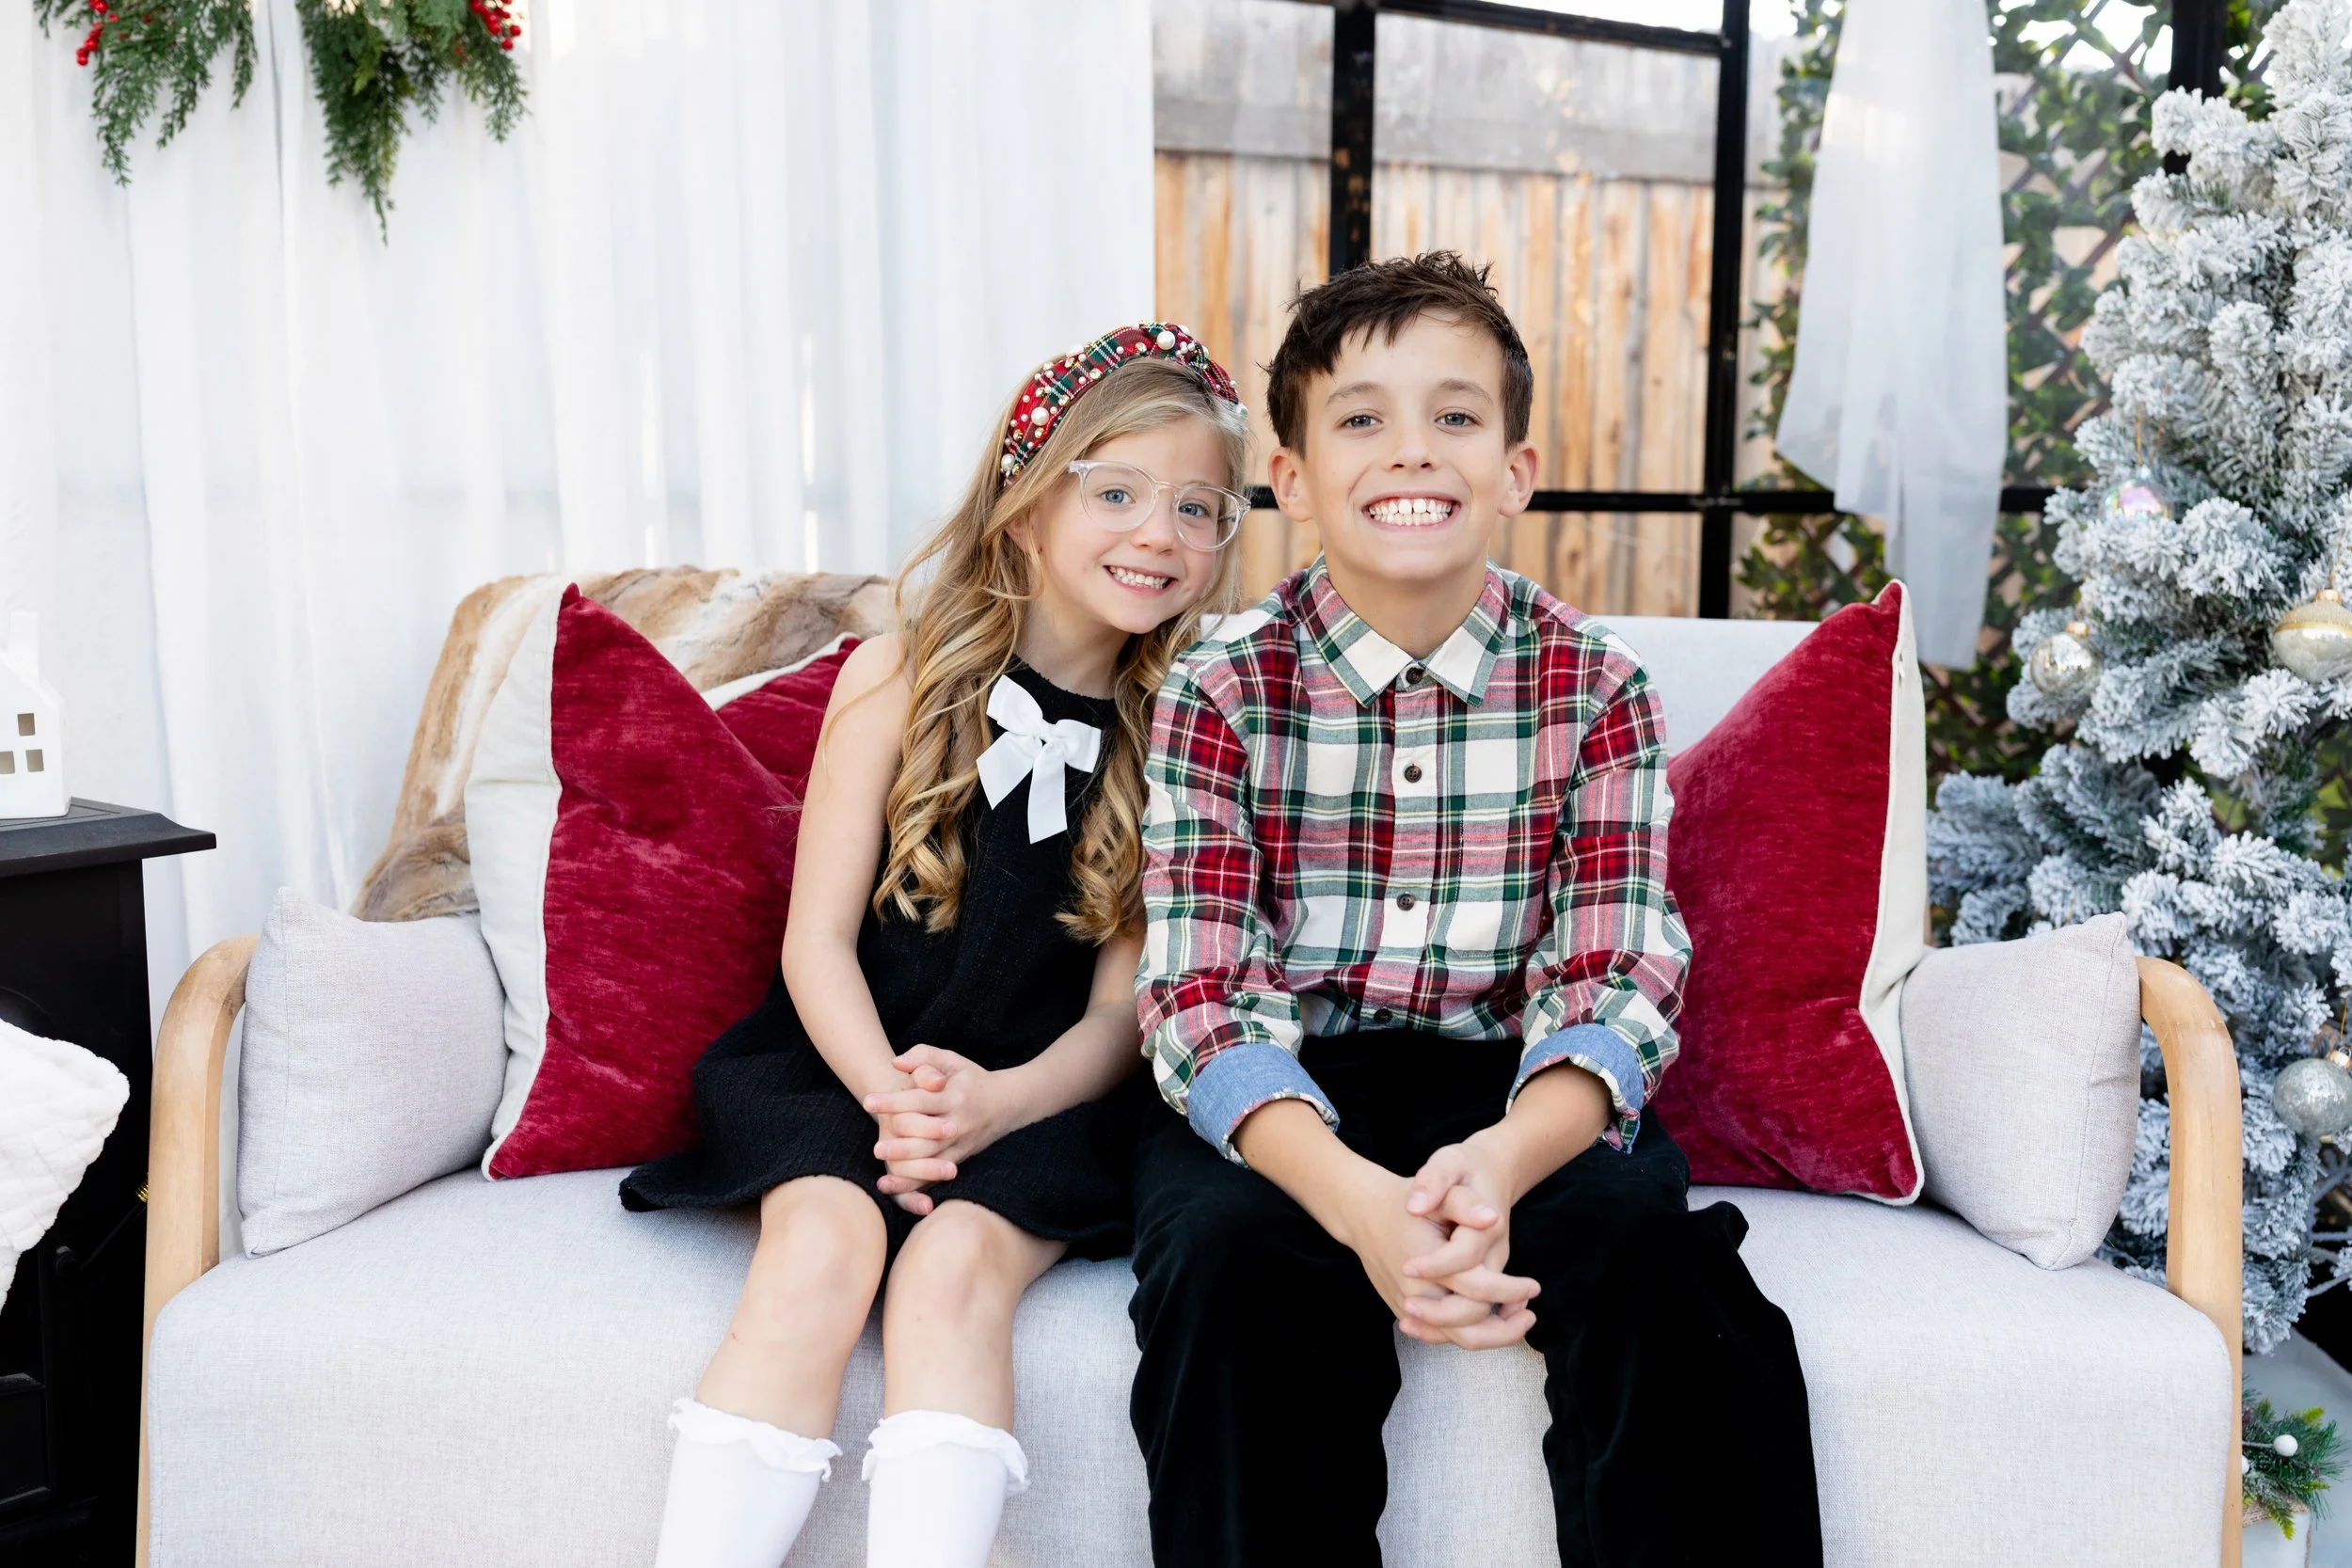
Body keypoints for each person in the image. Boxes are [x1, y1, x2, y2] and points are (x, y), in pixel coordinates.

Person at [1128, 254, 1823, 1568]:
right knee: (1228, 1271)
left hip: (1517, 1085)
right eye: (1362, 418)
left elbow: (1614, 974)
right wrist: (1354, 1202)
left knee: (1658, 1269)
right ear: (1290, 480)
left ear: (1515, 467)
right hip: (1291, 1090)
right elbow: (1200, 994)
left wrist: (1503, 1162)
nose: (1414, 451)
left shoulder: (1597, 684)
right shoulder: (1218, 685)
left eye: (1456, 417)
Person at [621, 325, 1248, 1568]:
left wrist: (991, 1107)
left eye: (1197, 507)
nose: (1158, 531)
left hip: (1037, 1098)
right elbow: (814, 946)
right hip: (846, 1061)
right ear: (1025, 507)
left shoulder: (1183, 731)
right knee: (824, 1243)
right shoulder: (895, 675)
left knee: (955, 1266)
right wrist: (892, 1103)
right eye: (1116, 491)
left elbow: (1119, 1017)